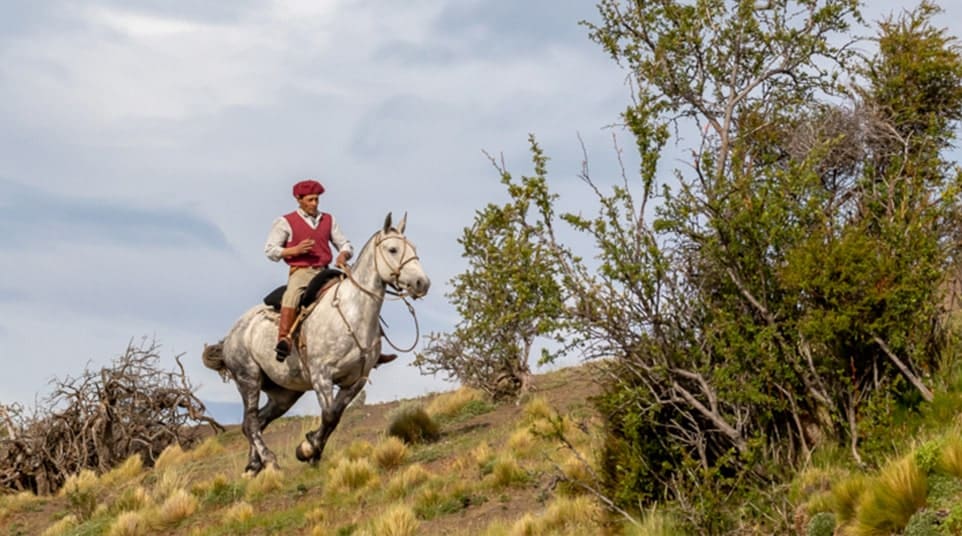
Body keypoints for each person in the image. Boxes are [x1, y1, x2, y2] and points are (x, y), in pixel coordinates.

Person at [264, 179, 396, 366]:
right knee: (291, 295)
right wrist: (294, 250)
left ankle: (374, 347)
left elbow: (345, 244)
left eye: (316, 199)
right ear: (299, 200)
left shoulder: (328, 220)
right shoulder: (285, 222)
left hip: (325, 271)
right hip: (301, 272)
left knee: (359, 294)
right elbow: (270, 250)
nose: (314, 204)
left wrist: (343, 254)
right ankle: (284, 339)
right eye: (310, 200)